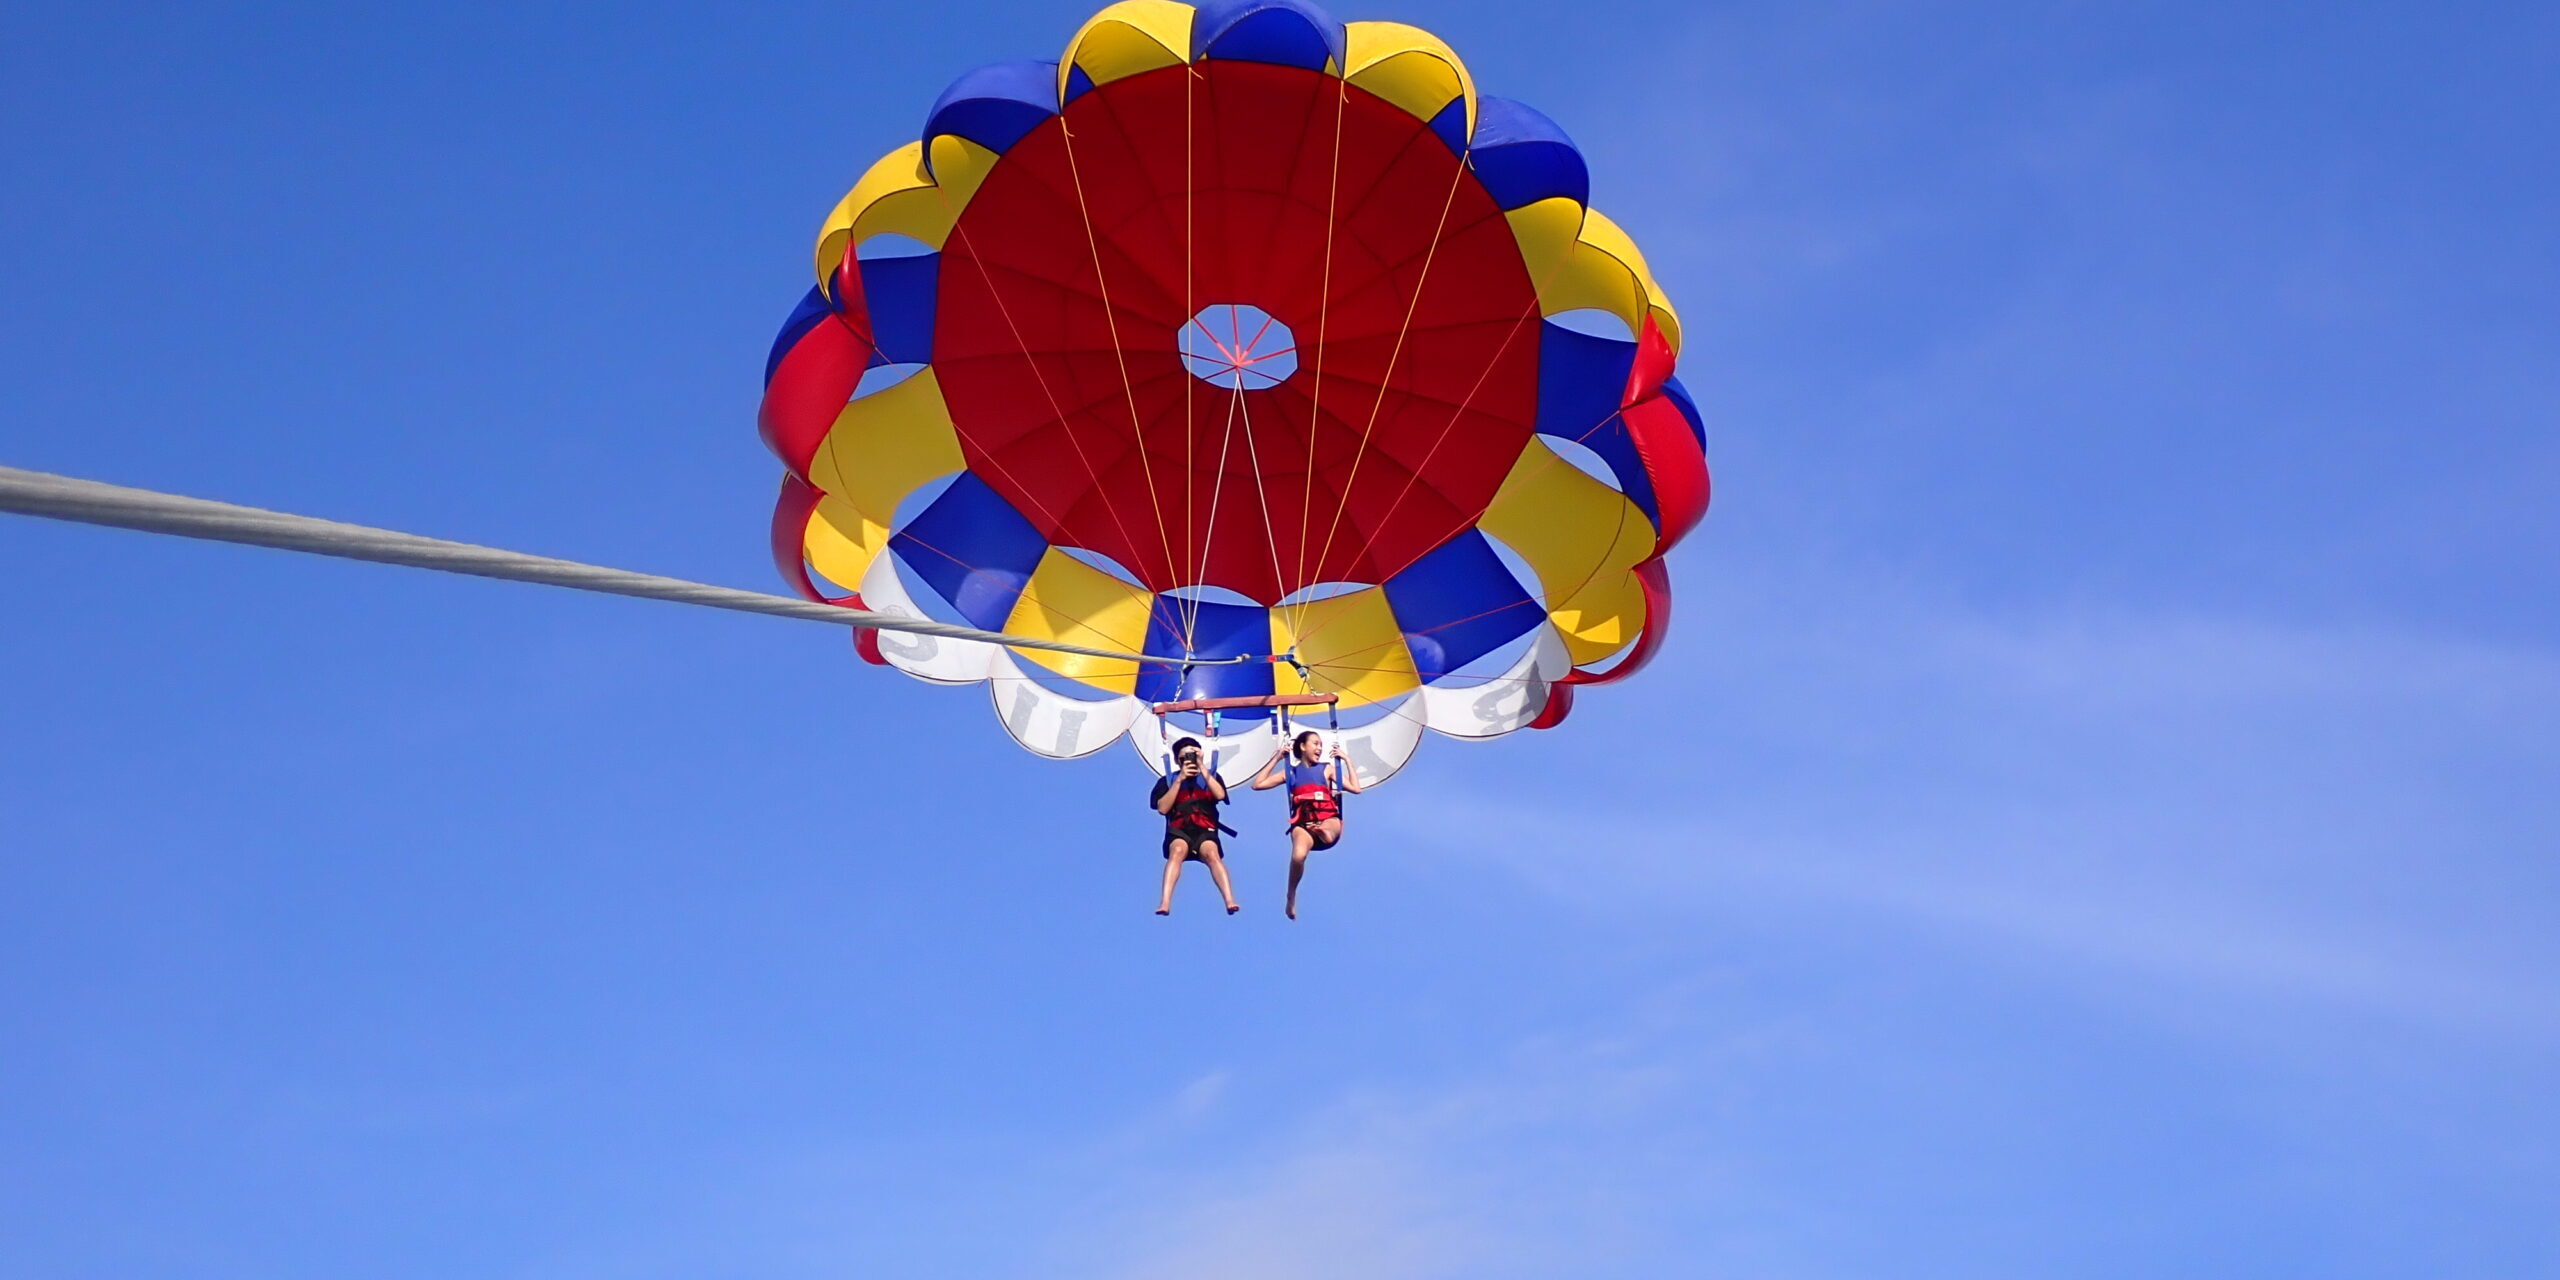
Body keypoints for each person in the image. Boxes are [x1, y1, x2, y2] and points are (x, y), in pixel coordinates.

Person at [1251, 730, 1364, 919]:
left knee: (1329, 827)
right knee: (1298, 856)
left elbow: (1356, 788)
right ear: (1303, 746)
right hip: (1304, 823)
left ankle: (1323, 833)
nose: (1319, 748)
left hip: (1327, 818)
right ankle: (1291, 895)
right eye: (1315, 744)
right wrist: (1277, 758)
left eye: (1321, 744)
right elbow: (1257, 784)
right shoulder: (1290, 773)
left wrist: (1346, 760)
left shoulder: (1326, 769)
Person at [1150, 737, 1240, 916]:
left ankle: (1229, 899)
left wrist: (1202, 767)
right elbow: (1162, 808)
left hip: (1204, 827)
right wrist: (1180, 779)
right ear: (1178, 760)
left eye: (1193, 754)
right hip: (1180, 828)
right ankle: (1165, 901)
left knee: (1212, 854)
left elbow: (1220, 795)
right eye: (1185, 757)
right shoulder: (1168, 780)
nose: (1190, 760)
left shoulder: (1211, 777)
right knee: (1177, 852)